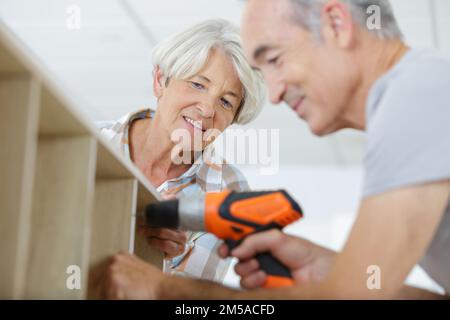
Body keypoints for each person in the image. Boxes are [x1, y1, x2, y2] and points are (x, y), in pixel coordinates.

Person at [91, 0, 450, 299]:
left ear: (337, 24)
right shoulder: (422, 94)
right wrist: (327, 265)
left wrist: (163, 289)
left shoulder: (416, 96)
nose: (275, 93)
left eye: (275, 59)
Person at [97, 19, 265, 283]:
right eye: (198, 84)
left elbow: (191, 300)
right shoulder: (93, 141)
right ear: (161, 80)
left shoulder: (230, 191)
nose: (208, 109)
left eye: (225, 101)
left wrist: (167, 257)